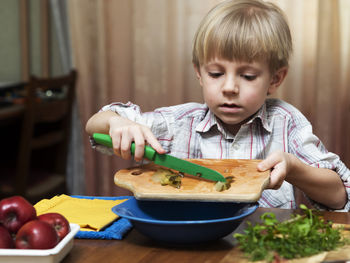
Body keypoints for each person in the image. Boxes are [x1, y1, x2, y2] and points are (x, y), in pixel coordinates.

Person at [86, 0, 350, 210]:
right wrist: (117, 122)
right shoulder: (179, 123)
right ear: (199, 73)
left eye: (247, 76)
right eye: (215, 74)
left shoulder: (287, 123)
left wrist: (293, 167)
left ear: (275, 79)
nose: (229, 87)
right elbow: (93, 126)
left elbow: (339, 196)